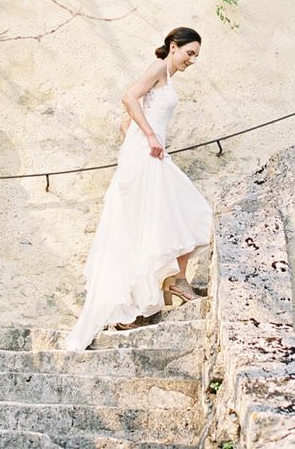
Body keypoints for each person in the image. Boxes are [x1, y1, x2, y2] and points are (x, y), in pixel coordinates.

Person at [64, 27, 213, 351]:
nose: (192, 60)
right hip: (148, 153)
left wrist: (137, 134)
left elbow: (124, 121)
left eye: (196, 57)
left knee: (174, 216)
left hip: (147, 153)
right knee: (163, 219)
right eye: (189, 53)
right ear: (174, 47)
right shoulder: (159, 68)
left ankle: (174, 280)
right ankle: (154, 291)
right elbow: (128, 97)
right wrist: (148, 137)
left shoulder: (167, 78)